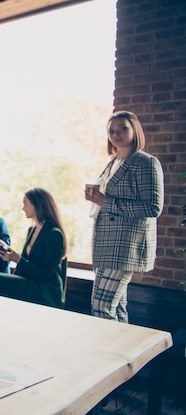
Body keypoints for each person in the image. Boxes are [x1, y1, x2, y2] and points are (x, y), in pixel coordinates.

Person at [84, 110, 164, 323]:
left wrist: (105, 202)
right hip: (105, 244)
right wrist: (95, 197)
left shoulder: (145, 162)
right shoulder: (111, 163)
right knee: (117, 308)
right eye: (111, 130)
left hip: (125, 245)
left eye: (123, 128)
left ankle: (108, 355)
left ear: (134, 130)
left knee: (101, 307)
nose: (116, 133)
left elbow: (153, 207)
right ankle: (125, 355)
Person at [0, 188, 68, 308]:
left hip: (44, 289)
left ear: (36, 206)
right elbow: (28, 261)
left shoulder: (54, 234)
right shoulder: (32, 230)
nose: (23, 208)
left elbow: (45, 273)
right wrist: (6, 249)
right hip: (30, 281)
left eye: (25, 204)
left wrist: (17, 259)